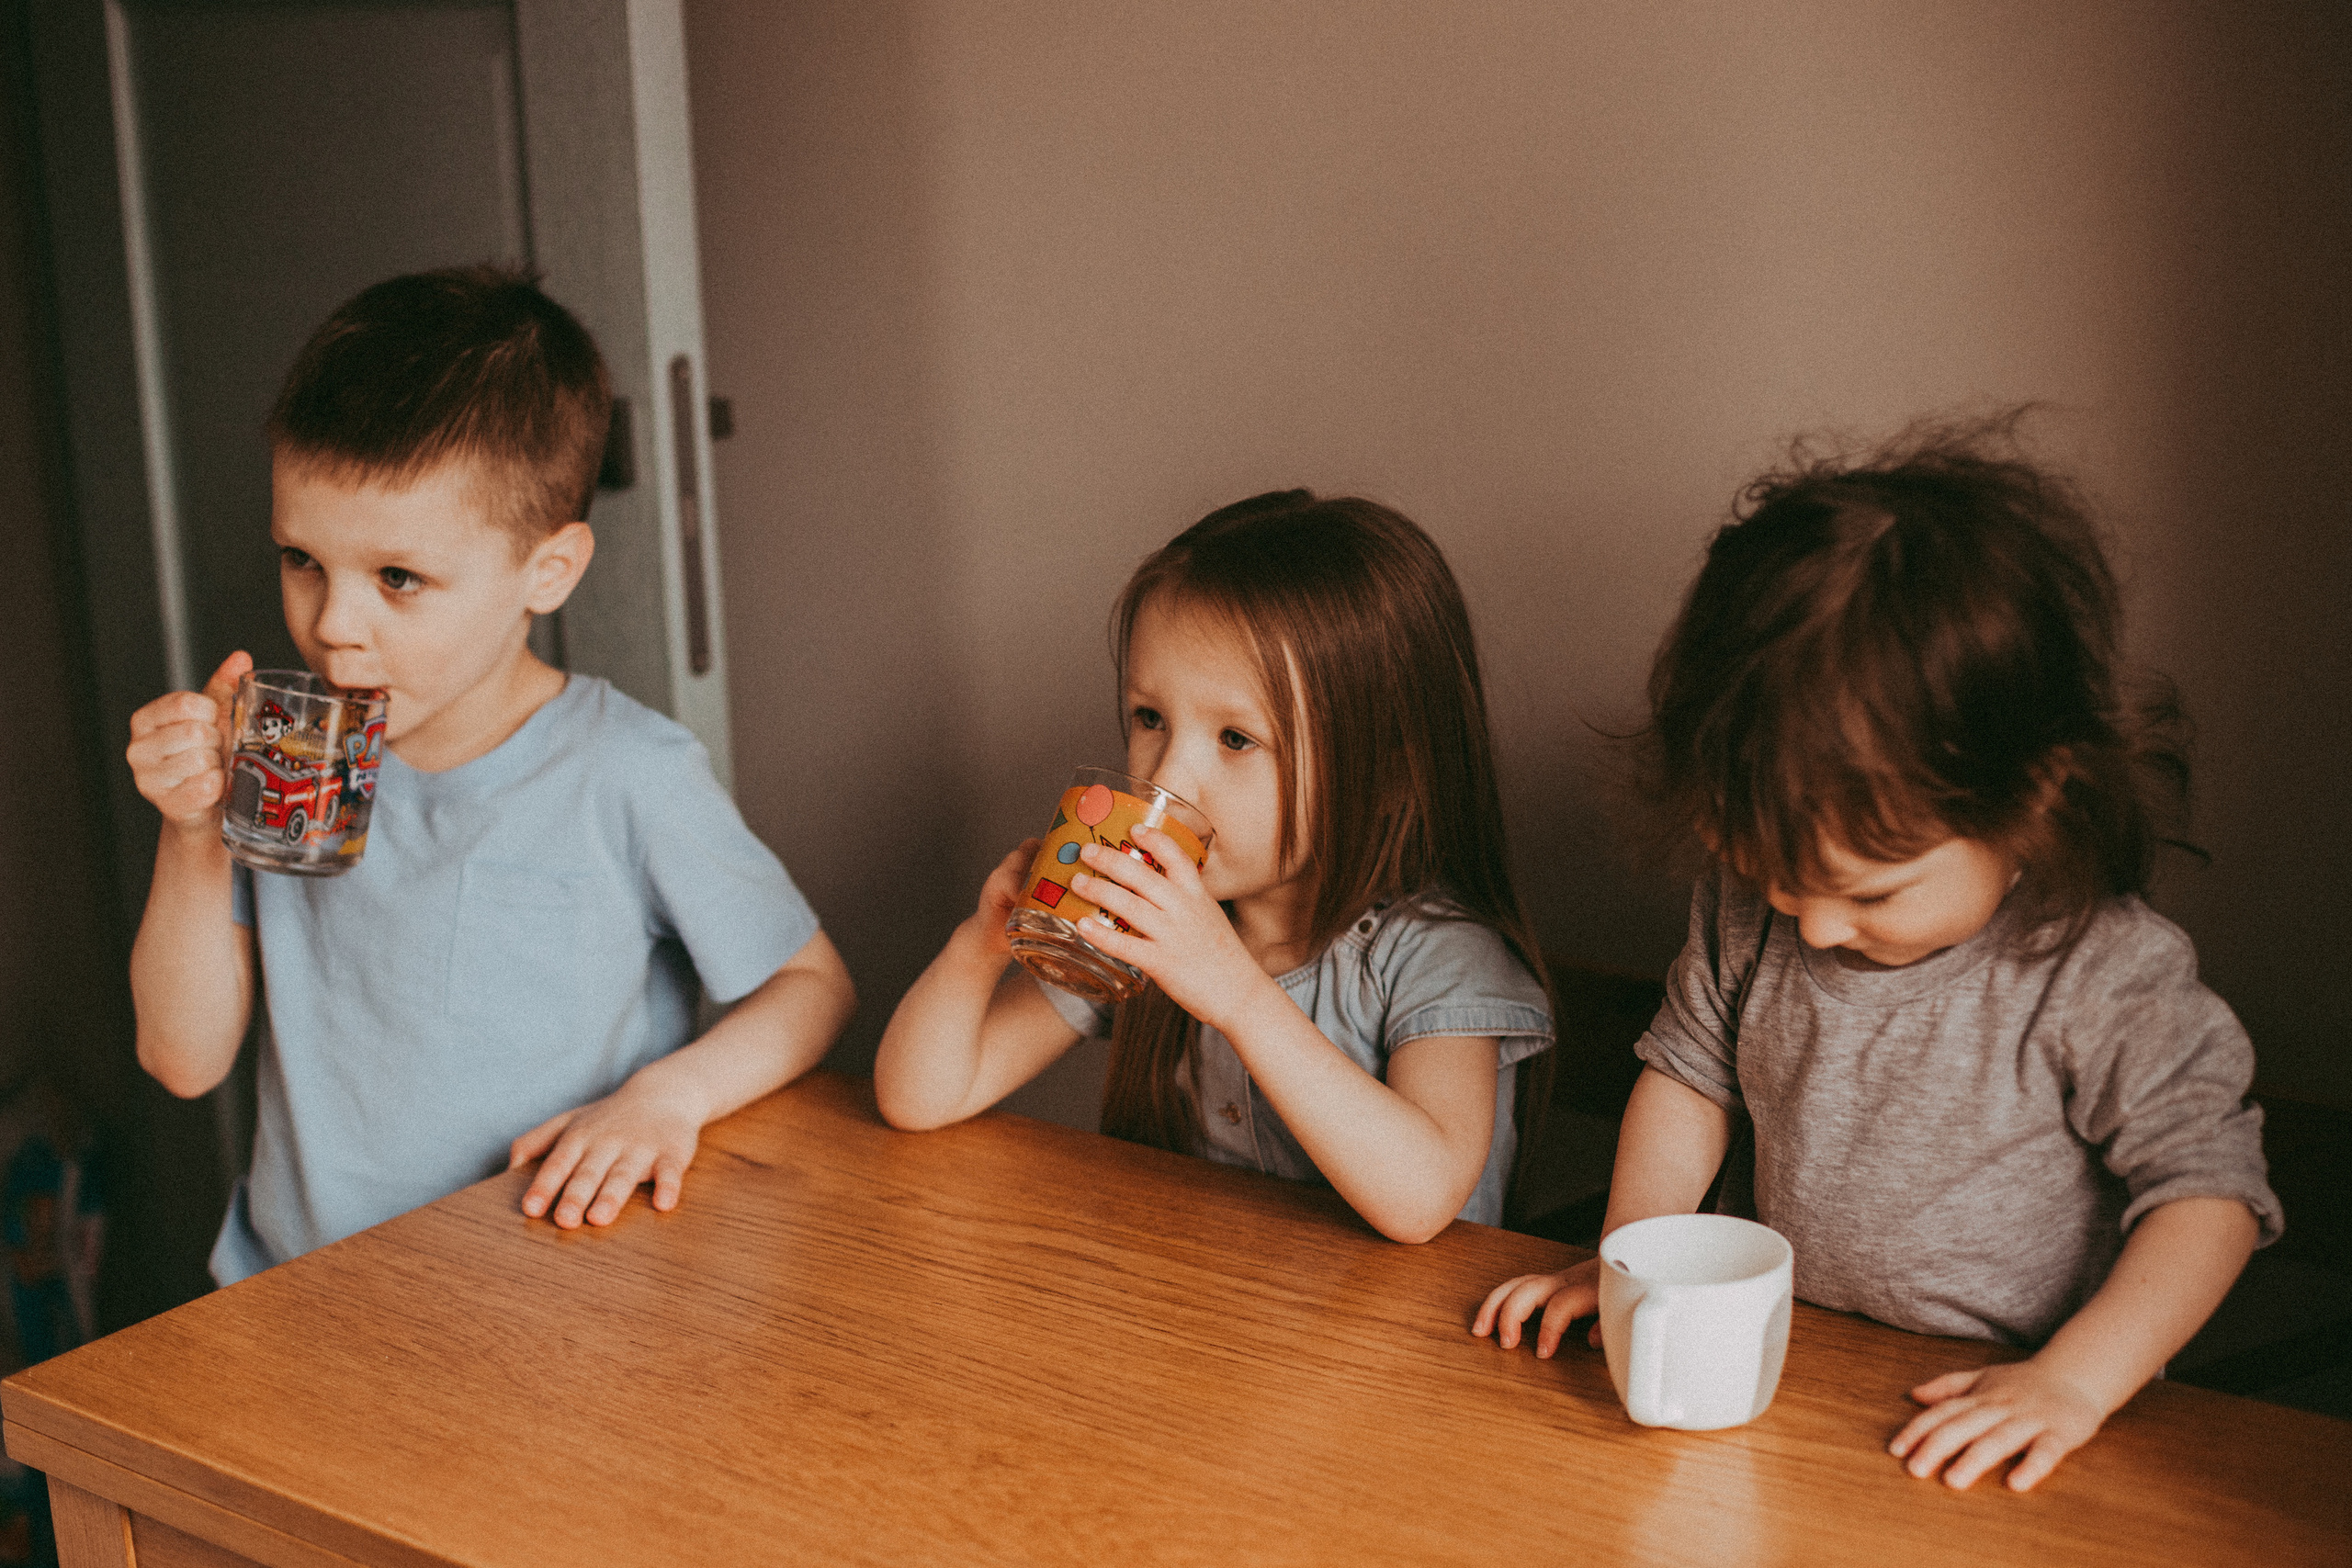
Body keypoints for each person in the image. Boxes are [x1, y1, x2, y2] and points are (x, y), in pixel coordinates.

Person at [1472, 417, 2279, 1491]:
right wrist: (1635, 1269)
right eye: (1775, 876)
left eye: (1870, 892)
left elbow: (2208, 1198)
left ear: (2032, 797)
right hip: (1799, 1377)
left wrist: (2073, 1383)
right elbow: (1688, 1083)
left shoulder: (2102, 974)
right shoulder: (1749, 913)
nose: (1812, 929)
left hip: (2004, 1421)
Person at [124, 265, 854, 1283]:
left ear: (548, 572)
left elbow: (810, 987)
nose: (333, 625)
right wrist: (192, 829)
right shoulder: (287, 761)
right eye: (302, 559)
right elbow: (182, 1058)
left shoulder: (625, 773)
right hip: (297, 1297)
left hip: (548, 1303)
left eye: (398, 578)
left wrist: (667, 1098)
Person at [875, 491, 1553, 1242]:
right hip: (1193, 1301)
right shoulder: (1138, 919)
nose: (1168, 778)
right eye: (1150, 718)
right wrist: (979, 948)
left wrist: (1235, 991)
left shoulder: (1438, 955)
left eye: (1235, 739)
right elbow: (921, 1098)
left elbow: (1422, 1199)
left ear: (1388, 770)